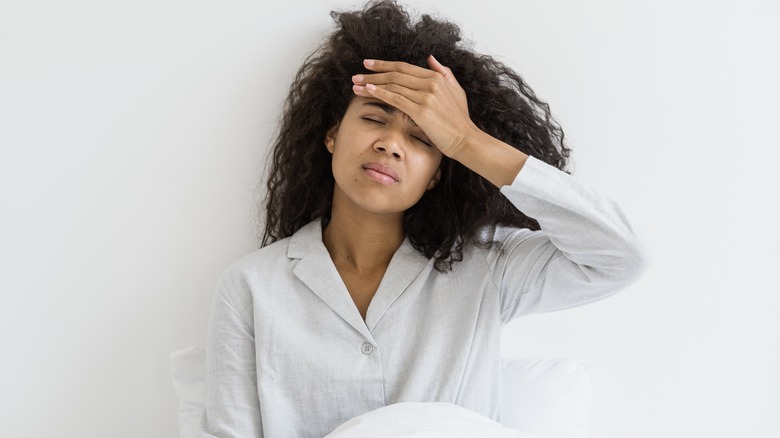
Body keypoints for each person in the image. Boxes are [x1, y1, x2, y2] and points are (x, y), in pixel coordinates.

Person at [200, 1, 648, 437]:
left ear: (437, 175)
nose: (390, 145)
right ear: (332, 135)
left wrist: (466, 138)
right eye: (375, 118)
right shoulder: (252, 287)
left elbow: (621, 258)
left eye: (422, 139)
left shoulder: (486, 267)